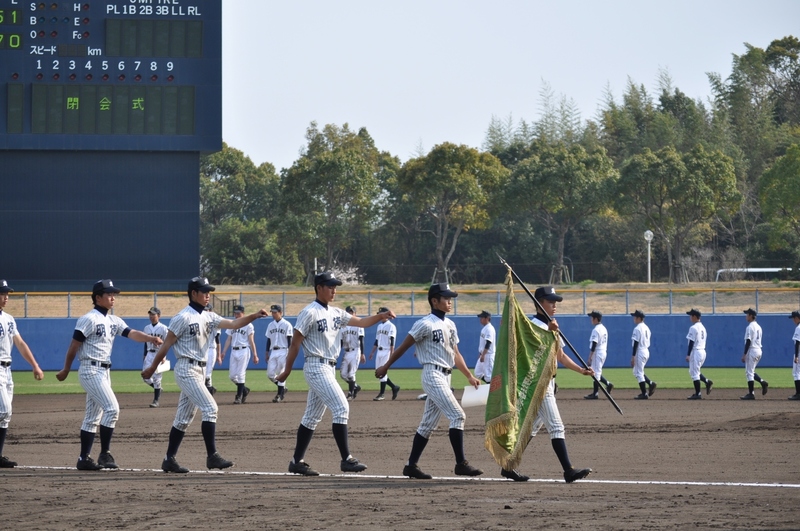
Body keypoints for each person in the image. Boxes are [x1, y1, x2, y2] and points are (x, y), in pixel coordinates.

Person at [142, 277, 268, 473]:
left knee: (184, 418)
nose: (208, 294)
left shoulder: (210, 316)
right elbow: (166, 344)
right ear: (193, 293)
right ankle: (212, 456)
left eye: (209, 291)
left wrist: (254, 315)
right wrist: (151, 369)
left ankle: (169, 459)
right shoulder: (182, 317)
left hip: (200, 370)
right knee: (210, 408)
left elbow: (234, 324)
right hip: (186, 368)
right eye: (204, 291)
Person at [277, 271, 395, 476]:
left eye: (335, 286)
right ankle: (346, 459)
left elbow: (361, 322)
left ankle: (296, 461)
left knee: (312, 417)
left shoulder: (337, 313)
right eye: (330, 286)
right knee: (341, 407)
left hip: (328, 368)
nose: (334, 290)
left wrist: (380, 316)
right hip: (315, 365)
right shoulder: (309, 312)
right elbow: (295, 343)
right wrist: (287, 370)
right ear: (319, 288)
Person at [376, 282, 484, 480]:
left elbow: (456, 353)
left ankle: (411, 466)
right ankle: (461, 464)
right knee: (458, 415)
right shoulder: (424, 323)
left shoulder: (450, 325)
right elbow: (403, 346)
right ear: (435, 301)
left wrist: (468, 375)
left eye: (451, 298)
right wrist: (386, 366)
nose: (450, 301)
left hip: (446, 374)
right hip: (432, 375)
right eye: (446, 298)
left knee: (427, 425)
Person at [56, 279, 164, 471]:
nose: (113, 297)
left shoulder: (113, 320)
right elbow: (74, 346)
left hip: (104, 372)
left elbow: (132, 333)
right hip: (90, 369)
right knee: (112, 409)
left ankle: (83, 459)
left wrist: (151, 338)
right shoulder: (88, 319)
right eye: (109, 294)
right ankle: (104, 454)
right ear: (98, 298)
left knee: (92, 417)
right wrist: (66, 369)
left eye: (114, 294)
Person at [500, 286, 593, 483]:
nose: (554, 306)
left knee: (531, 428)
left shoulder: (553, 327)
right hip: (537, 385)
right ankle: (568, 470)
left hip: (549, 383)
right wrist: (548, 333)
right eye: (551, 302)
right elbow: (529, 354)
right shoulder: (531, 327)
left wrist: (582, 370)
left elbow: (561, 356)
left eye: (555, 302)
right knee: (557, 426)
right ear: (539, 303)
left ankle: (508, 465)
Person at [0, 279, 44, 468]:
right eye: (3, 294)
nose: (6, 297)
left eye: (7, 294)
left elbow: (20, 343)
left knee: (5, 415)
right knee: (4, 410)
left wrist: (35, 365)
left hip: (7, 370)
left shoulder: (9, 319)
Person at [219, 304, 259, 405]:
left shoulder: (249, 325)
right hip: (234, 351)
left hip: (244, 350)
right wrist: (223, 352)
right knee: (232, 376)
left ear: (243, 313)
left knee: (241, 374)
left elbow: (251, 341)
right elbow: (229, 339)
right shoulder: (232, 324)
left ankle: (238, 397)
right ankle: (244, 390)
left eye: (238, 313)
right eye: (235, 313)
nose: (236, 315)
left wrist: (255, 354)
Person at [369, 307, 400, 401]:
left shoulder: (391, 326)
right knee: (378, 372)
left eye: (381, 313)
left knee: (382, 373)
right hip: (379, 350)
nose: (379, 315)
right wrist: (372, 352)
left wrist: (392, 353)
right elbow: (377, 340)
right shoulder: (379, 326)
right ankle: (394, 387)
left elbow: (392, 341)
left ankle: (382, 394)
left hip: (387, 351)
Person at [142, 306, 170, 408]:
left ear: (158, 316)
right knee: (145, 377)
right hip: (149, 353)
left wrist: (164, 355)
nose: (151, 316)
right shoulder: (146, 328)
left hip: (159, 353)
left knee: (157, 378)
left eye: (153, 314)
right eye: (150, 314)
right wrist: (145, 355)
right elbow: (146, 342)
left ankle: (156, 400)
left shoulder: (163, 328)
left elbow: (167, 342)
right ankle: (157, 389)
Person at [265, 304, 293, 403]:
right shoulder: (270, 325)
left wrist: (289, 352)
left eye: (275, 312)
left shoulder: (287, 324)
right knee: (270, 374)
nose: (273, 314)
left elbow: (290, 339)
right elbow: (268, 340)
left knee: (281, 372)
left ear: (280, 313)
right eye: (272, 312)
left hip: (283, 350)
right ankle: (283, 388)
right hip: (273, 351)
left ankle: (279, 395)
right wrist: (267, 352)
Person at [685, 309, 713, 400]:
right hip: (702, 351)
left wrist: (688, 354)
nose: (690, 317)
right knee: (693, 371)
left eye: (691, 315)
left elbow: (691, 342)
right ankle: (707, 382)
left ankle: (698, 393)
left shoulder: (693, 328)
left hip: (696, 351)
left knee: (694, 374)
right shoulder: (703, 327)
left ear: (694, 316)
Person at [585, 310, 613, 399]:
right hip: (603, 351)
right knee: (596, 372)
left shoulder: (596, 330)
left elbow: (594, 344)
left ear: (596, 319)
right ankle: (608, 384)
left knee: (595, 373)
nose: (591, 319)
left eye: (592, 318)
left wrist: (590, 356)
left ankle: (595, 394)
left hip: (597, 352)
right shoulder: (603, 328)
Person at [741, 308, 768, 400]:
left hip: (752, 350)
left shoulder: (750, 327)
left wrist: (744, 354)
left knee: (749, 373)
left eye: (747, 314)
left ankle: (751, 394)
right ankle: (762, 382)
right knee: (751, 371)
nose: (746, 316)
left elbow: (748, 341)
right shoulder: (758, 327)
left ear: (751, 316)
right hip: (759, 350)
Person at [339, 306, 365, 400]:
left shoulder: (359, 325)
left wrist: (362, 353)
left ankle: (351, 393)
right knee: (343, 374)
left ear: (355, 314)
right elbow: (341, 341)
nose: (350, 314)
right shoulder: (343, 326)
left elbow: (361, 340)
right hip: (346, 352)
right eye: (348, 312)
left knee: (351, 374)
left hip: (355, 351)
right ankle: (355, 387)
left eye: (352, 312)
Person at [631, 310, 656, 400]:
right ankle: (650, 383)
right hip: (646, 350)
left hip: (640, 351)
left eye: (635, 317)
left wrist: (633, 356)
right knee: (637, 371)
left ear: (639, 318)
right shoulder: (646, 328)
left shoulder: (637, 328)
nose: (634, 318)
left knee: (638, 373)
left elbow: (636, 343)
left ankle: (644, 393)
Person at [474, 310, 496, 385]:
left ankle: (492, 392)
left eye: (482, 317)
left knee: (489, 376)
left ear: (487, 318)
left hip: (488, 355)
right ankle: (489, 385)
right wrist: (481, 354)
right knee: (478, 373)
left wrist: (483, 355)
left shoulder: (489, 329)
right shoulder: (485, 328)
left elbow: (488, 343)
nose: (480, 319)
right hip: (483, 354)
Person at [204, 308, 220, 396]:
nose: (206, 312)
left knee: (207, 374)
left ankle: (209, 392)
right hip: (203, 350)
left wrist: (219, 355)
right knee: (203, 374)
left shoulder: (215, 324)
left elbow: (218, 341)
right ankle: (210, 390)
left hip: (211, 349)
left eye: (208, 310)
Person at [789, 311, 800, 400]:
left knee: (796, 373)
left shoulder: (798, 328)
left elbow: (797, 342)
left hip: (799, 354)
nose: (793, 320)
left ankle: (798, 394)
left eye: (793, 318)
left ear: (797, 318)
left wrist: (796, 356)